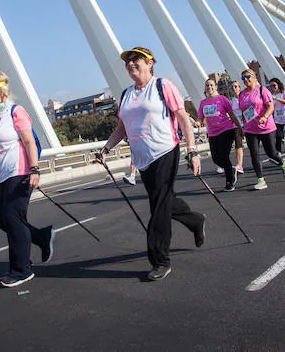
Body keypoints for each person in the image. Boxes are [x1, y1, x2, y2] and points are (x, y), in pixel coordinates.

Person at [96, 47, 205, 282]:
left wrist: (192, 150)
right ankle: (195, 220)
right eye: (128, 61)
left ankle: (160, 260)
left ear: (150, 63)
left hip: (166, 150)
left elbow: (183, 119)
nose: (131, 63)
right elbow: (121, 128)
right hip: (142, 159)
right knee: (163, 201)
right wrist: (105, 149)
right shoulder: (125, 95)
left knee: (158, 209)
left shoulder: (163, 86)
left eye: (136, 59)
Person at [0, 72, 55, 288]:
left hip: (19, 171)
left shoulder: (15, 111)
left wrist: (34, 170)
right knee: (2, 220)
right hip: (1, 174)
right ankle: (40, 237)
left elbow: (28, 142)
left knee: (12, 218)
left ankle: (21, 270)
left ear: (3, 90)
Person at [239, 68, 285, 190]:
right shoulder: (242, 94)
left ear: (254, 77)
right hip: (250, 129)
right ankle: (261, 180)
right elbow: (243, 111)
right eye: (243, 78)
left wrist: (265, 116)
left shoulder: (262, 90)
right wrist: (243, 126)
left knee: (271, 153)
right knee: (254, 154)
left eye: (248, 77)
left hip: (266, 127)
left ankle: (282, 163)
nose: (245, 80)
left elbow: (270, 106)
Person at [197, 78, 243, 191]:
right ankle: (231, 170)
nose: (209, 87)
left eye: (212, 85)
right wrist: (198, 122)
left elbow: (232, 115)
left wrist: (240, 128)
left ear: (216, 87)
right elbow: (200, 116)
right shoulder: (203, 103)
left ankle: (230, 181)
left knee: (224, 156)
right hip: (212, 133)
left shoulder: (222, 99)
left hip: (226, 130)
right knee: (216, 159)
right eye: (207, 85)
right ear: (205, 88)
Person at [227, 80, 246, 174]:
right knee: (238, 144)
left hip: (248, 123)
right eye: (232, 87)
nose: (234, 89)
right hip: (237, 125)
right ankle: (240, 165)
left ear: (239, 87)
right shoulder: (231, 101)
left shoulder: (245, 98)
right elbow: (230, 114)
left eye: (235, 86)